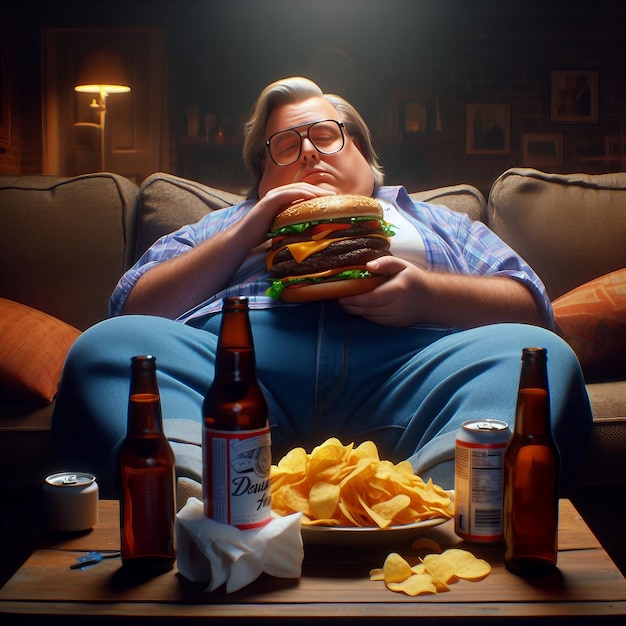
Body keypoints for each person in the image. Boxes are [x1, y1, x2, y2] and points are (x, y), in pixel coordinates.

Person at [52, 76, 592, 499]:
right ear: (262, 173)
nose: (309, 152)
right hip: (235, 377)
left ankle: (444, 497)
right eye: (285, 146)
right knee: (104, 348)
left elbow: (531, 307)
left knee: (544, 355)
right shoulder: (220, 226)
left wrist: (429, 295)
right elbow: (131, 307)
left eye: (325, 135)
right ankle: (195, 490)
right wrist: (247, 230)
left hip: (407, 375)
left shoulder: (440, 221)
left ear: (362, 152)